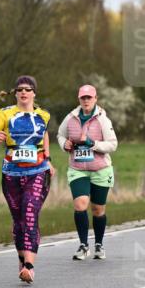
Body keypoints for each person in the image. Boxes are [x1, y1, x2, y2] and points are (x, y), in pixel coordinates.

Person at [0, 75, 56, 282]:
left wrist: (49, 159)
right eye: (20, 90)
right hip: (11, 174)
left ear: (34, 93)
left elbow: (44, 136)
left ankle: (29, 266)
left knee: (29, 213)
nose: (24, 92)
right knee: (18, 221)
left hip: (37, 171)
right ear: (15, 93)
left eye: (28, 89)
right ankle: (21, 257)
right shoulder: (5, 113)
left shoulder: (43, 115)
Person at [58, 84, 118, 260]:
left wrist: (93, 144)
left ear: (95, 99)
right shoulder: (70, 118)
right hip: (78, 169)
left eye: (89, 98)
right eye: (83, 98)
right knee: (80, 204)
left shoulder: (103, 120)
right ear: (79, 99)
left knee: (98, 210)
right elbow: (60, 135)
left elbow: (113, 144)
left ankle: (98, 244)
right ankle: (84, 245)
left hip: (100, 169)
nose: (86, 101)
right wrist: (64, 144)